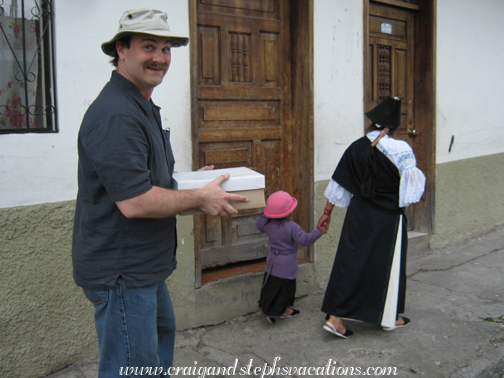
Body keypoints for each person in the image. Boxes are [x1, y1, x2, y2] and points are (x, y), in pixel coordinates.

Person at [72, 8, 249, 377]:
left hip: (144, 268)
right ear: (121, 50)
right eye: (148, 46)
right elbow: (135, 202)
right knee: (133, 370)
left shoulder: (141, 104)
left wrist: (189, 183)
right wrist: (200, 199)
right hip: (123, 273)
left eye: (166, 48)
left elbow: (144, 180)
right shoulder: (116, 114)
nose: (160, 58)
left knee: (153, 359)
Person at [317, 96, 426, 338]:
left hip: (358, 215)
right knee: (387, 265)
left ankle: (336, 317)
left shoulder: (356, 146)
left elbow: (339, 183)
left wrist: (327, 214)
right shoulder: (401, 149)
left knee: (351, 263)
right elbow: (411, 190)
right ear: (394, 126)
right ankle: (390, 317)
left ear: (372, 123)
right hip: (387, 220)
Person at [257, 191, 327, 324]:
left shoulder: (267, 224)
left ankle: (276, 309)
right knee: (285, 290)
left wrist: (266, 211)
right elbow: (305, 240)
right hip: (287, 264)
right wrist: (319, 231)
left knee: (272, 287)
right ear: (289, 212)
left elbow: (259, 222)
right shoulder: (292, 227)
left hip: (272, 262)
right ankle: (275, 312)